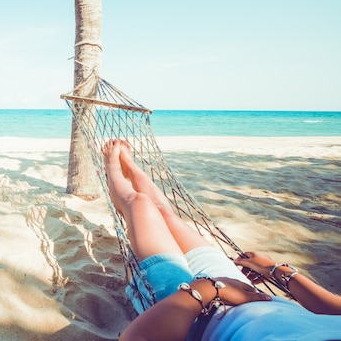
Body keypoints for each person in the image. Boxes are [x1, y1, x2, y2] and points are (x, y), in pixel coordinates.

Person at [101, 139, 341, 341]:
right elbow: (333, 309)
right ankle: (130, 167)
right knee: (165, 213)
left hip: (192, 315)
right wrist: (274, 269)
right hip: (246, 293)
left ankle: (112, 167)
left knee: (140, 204)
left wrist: (211, 288)